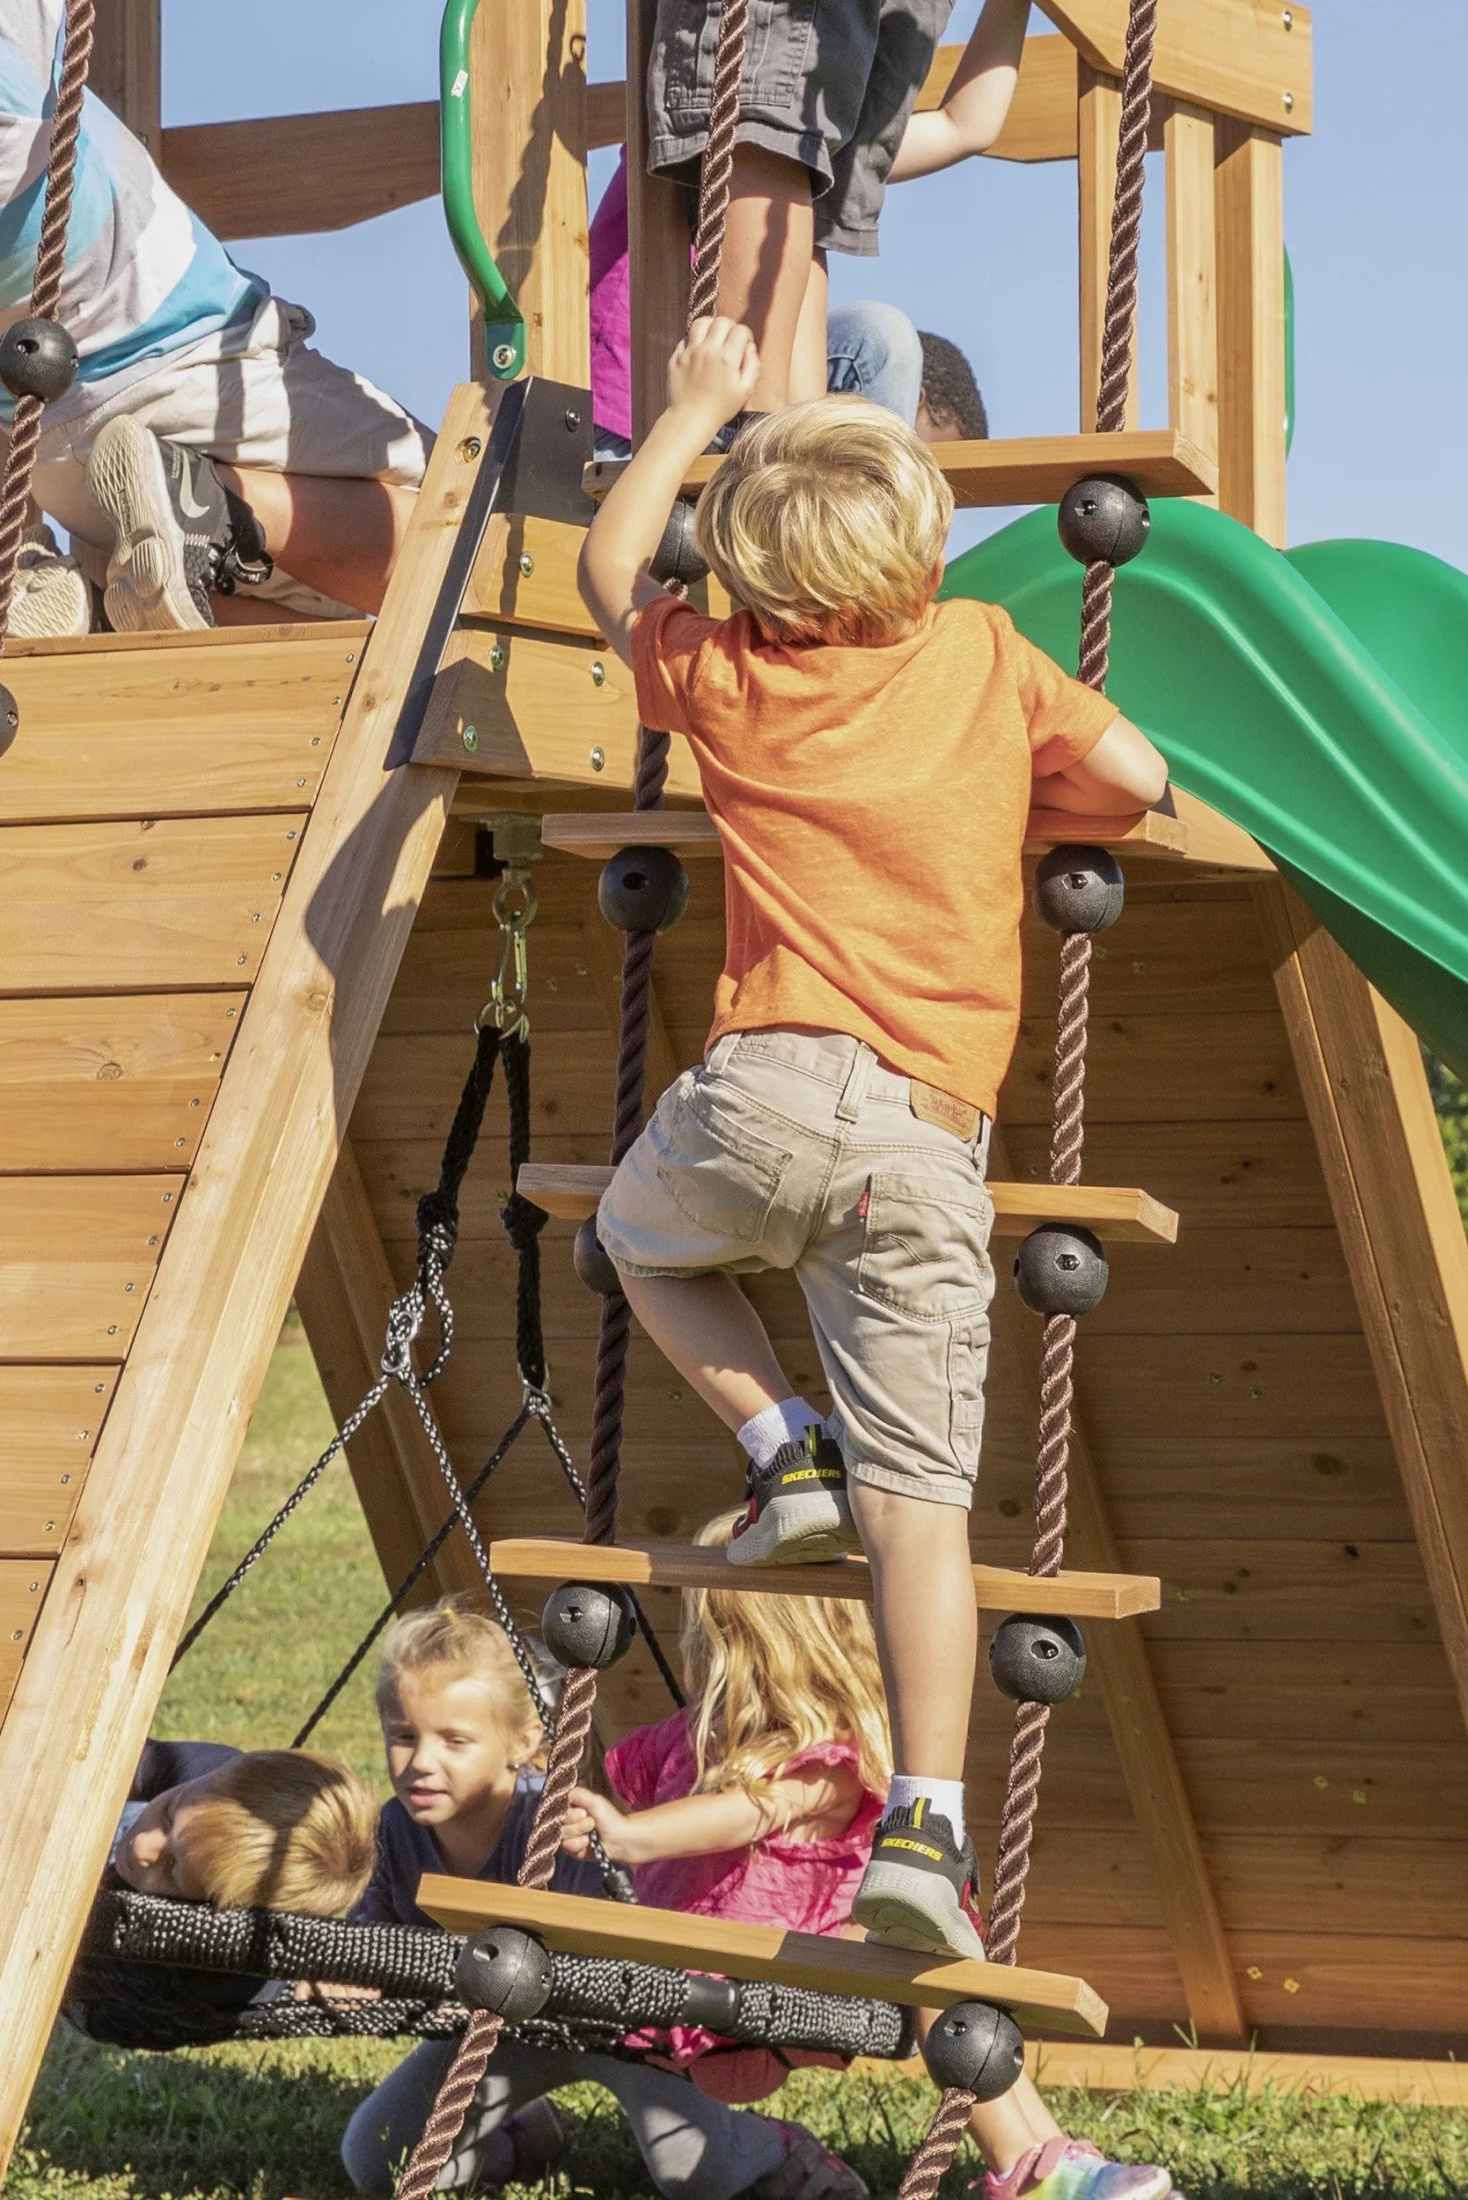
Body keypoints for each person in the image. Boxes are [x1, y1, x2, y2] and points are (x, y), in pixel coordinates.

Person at [573, 322, 1169, 1962]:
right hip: (922, 1134)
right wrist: (1022, 805)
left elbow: (608, 563)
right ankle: (926, 1824)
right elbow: (1139, 776)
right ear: (919, 546)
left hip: (759, 1088)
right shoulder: (984, 658)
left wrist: (693, 406)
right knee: (930, 1513)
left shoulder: (728, 672)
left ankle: (781, 1453)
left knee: (642, 1237)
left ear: (752, 570)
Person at [563, 1515, 1173, 2200]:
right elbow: (707, 1805)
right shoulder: (690, 1740)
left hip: (781, 1967)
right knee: (923, 1945)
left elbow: (752, 1809)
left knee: (931, 1938)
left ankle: (1044, 2155)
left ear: (748, 1643)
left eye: (708, 1626)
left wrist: (631, 1836)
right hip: (722, 1982)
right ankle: (1031, 2168)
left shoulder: (828, 1764)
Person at [0, 0, 430, 636]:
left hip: (59, 461)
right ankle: (211, 505)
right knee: (468, 518)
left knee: (298, 597)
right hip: (193, 375)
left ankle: (102, 603)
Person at [340, 1599, 865, 2200]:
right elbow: (376, 1939)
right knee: (377, 2158)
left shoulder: (555, 1823)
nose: (421, 1763)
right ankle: (520, 2136)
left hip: (623, 2029)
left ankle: (778, 2151)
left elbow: (631, 1932)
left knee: (696, 2176)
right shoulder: (395, 1830)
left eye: (454, 1741)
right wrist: (353, 1976)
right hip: (502, 2029)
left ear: (524, 1742)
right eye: (403, 1736)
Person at [595, 0, 1028, 447]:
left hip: (746, 394)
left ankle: (798, 459)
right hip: (637, 394)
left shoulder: (804, 159)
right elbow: (766, 116)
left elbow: (968, 127)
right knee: (875, 336)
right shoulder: (751, 127)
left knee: (880, 335)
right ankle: (772, 447)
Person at [65, 1739, 377, 2048]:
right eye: (168, 1816)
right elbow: (111, 1755)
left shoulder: (224, 1974)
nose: (144, 1846)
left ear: (219, 1917)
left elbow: (271, 1972)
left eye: (172, 1868)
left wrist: (322, 1970)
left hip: (111, 1983)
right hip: (97, 1832)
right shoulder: (211, 1775)